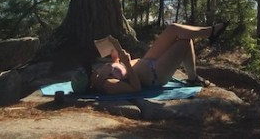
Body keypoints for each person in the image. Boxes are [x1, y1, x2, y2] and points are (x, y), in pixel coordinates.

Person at [71, 21, 229, 95]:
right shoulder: (107, 85)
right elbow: (135, 88)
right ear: (89, 81)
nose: (92, 70)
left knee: (173, 29)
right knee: (184, 42)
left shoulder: (100, 74)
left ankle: (210, 32)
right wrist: (125, 62)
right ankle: (193, 77)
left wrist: (116, 58)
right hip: (155, 75)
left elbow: (120, 70)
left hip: (146, 61)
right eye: (89, 72)